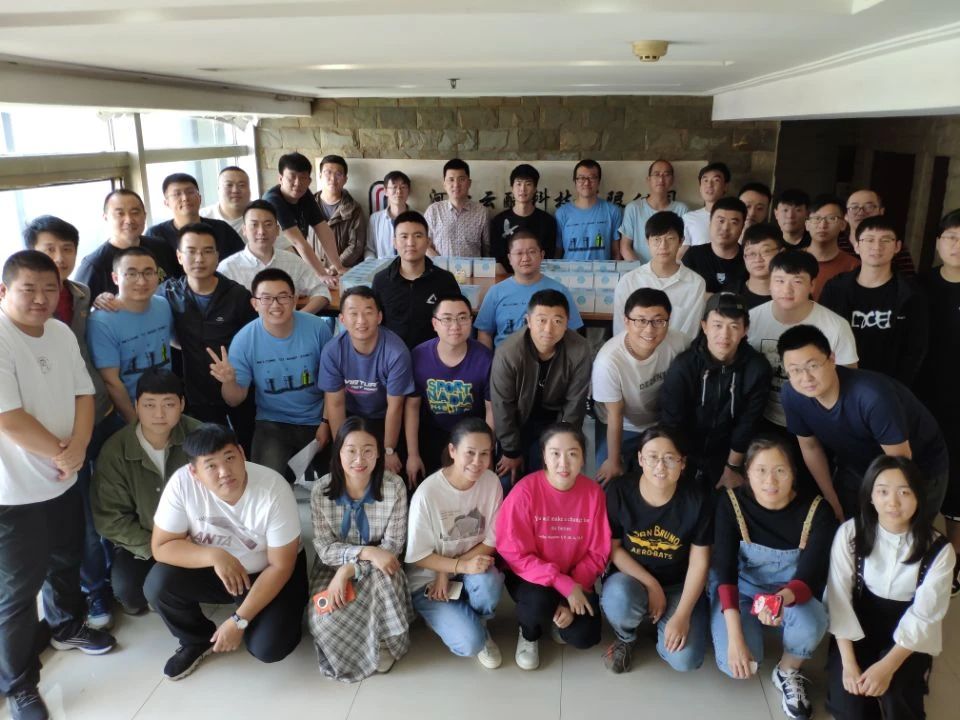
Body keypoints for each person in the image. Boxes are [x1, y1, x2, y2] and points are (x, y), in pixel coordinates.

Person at [0, 251, 116, 720]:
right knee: (17, 590)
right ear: (4, 291)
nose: (41, 299)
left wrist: (80, 445)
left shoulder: (61, 332)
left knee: (66, 561)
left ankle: (66, 626)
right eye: (28, 289)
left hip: (62, 478)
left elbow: (84, 393)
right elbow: (8, 417)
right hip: (12, 492)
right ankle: (19, 684)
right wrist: (61, 453)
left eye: (50, 288)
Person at [145, 424, 306, 680]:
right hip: (220, 571)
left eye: (230, 458)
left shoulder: (273, 488)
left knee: (269, 647)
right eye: (211, 465)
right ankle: (197, 639)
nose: (224, 472)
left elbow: (281, 566)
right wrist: (214, 555)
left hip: (269, 571)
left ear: (242, 453)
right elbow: (161, 547)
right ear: (194, 472)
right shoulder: (182, 484)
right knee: (158, 583)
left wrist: (239, 620)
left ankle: (277, 612)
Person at [24, 215, 115, 630]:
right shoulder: (19, 312)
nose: (60, 258)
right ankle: (94, 589)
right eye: (49, 249)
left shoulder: (80, 293)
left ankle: (113, 577)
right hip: (52, 431)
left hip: (96, 411)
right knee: (77, 518)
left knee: (105, 501)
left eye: (67, 249)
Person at [710, 437, 836, 720]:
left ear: (793, 473)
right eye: (761, 470)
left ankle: (788, 669)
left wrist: (778, 600)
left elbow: (810, 576)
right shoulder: (730, 503)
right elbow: (724, 572)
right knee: (737, 665)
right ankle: (748, 629)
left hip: (791, 594)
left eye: (780, 470)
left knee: (813, 621)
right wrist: (735, 638)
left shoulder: (817, 510)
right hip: (742, 591)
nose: (770, 481)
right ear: (747, 474)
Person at [825, 456, 955, 719]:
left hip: (908, 633)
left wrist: (887, 666)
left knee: (897, 697)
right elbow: (838, 598)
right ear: (870, 496)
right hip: (858, 625)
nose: (893, 503)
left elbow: (924, 615)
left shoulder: (940, 550)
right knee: (852, 706)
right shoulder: (850, 533)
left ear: (918, 496)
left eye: (904, 492)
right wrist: (849, 664)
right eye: (883, 491)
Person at [778, 324, 950, 524]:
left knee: (899, 532)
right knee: (851, 527)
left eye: (813, 366)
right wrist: (831, 498)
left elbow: (900, 460)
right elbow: (810, 447)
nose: (806, 378)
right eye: (795, 370)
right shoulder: (792, 394)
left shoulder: (871, 397)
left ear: (832, 359)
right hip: (857, 464)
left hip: (916, 466)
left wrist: (884, 511)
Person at [496, 424, 611, 669]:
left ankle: (556, 616)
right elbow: (514, 552)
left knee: (585, 636)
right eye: (555, 453)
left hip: (575, 577)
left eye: (572, 454)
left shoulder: (593, 494)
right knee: (538, 603)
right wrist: (562, 584)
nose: (563, 463)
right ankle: (529, 633)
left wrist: (572, 593)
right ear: (544, 456)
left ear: (583, 458)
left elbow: (598, 552)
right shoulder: (525, 491)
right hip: (531, 578)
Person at [308, 417, 412, 681]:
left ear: (378, 453)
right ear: (338, 453)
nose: (359, 459)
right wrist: (364, 554)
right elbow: (324, 547)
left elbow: (392, 546)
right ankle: (356, 648)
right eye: (351, 450)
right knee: (323, 620)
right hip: (333, 564)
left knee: (384, 579)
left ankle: (384, 643)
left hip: (381, 565)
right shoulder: (320, 490)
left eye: (367, 450)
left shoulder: (394, 487)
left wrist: (350, 569)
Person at [601, 427, 712, 674]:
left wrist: (682, 616)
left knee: (686, 660)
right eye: (652, 457)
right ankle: (626, 637)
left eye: (670, 458)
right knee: (618, 596)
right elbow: (614, 550)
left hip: (678, 584)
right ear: (640, 459)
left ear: (683, 463)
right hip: (632, 579)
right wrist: (651, 584)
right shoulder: (619, 491)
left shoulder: (697, 500)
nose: (660, 466)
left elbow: (700, 563)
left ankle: (663, 624)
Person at [91, 369, 201, 615]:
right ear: (136, 406)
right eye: (149, 405)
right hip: (145, 542)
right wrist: (159, 548)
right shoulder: (115, 450)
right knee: (129, 591)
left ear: (182, 405)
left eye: (169, 404)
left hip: (197, 537)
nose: (159, 414)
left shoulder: (200, 437)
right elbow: (110, 519)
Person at [208, 268, 332, 481]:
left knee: (335, 483)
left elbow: (333, 384)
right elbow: (234, 399)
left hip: (317, 418)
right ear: (255, 303)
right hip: (273, 421)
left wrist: (326, 422)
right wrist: (229, 382)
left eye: (283, 297)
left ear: (294, 300)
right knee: (265, 484)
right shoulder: (244, 340)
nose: (275, 305)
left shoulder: (317, 328)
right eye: (266, 298)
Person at [405, 418, 504, 668]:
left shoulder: (491, 482)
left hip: (466, 568)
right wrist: (449, 569)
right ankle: (455, 621)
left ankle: (479, 623)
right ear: (452, 451)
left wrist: (450, 570)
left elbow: (492, 541)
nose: (477, 462)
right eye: (469, 453)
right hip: (428, 581)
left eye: (485, 454)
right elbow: (418, 556)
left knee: (489, 582)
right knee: (470, 644)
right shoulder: (427, 494)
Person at [660, 293, 772, 491]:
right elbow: (671, 421)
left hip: (732, 455)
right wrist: (678, 463)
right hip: (685, 453)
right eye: (717, 325)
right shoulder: (684, 365)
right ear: (704, 326)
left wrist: (732, 467)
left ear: (745, 329)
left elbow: (748, 422)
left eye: (734, 326)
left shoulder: (757, 368)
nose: (724, 335)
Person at [160, 223, 257, 452]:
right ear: (179, 256)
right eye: (191, 251)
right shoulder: (168, 293)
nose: (199, 258)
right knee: (205, 453)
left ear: (217, 256)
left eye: (207, 251)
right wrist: (107, 299)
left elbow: (253, 343)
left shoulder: (238, 295)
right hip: (194, 395)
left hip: (237, 387)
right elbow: (135, 303)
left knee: (245, 450)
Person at [747, 250, 858, 430]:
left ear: (812, 284)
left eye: (797, 281)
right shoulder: (752, 320)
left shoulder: (836, 326)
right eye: (779, 281)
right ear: (770, 283)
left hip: (818, 422)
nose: (787, 290)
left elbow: (849, 381)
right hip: (764, 418)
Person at [490, 290, 592, 484]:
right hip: (518, 423)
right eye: (542, 320)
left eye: (557, 321)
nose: (548, 329)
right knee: (507, 481)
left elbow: (575, 403)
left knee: (555, 479)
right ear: (528, 321)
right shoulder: (508, 352)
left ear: (567, 322)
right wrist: (511, 451)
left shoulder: (580, 349)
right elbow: (502, 405)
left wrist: (562, 445)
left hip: (556, 421)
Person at [592, 288, 687, 486]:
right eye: (641, 320)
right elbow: (615, 415)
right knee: (608, 479)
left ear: (668, 320)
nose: (649, 330)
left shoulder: (680, 343)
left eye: (658, 321)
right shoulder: (608, 361)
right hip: (624, 425)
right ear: (626, 321)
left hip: (664, 424)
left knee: (672, 478)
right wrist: (614, 461)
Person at [318, 286, 414, 479]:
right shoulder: (333, 351)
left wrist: (388, 450)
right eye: (353, 313)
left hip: (384, 417)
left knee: (389, 472)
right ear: (342, 319)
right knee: (338, 471)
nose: (361, 320)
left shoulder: (396, 352)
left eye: (368, 313)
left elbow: (395, 407)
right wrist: (341, 448)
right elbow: (335, 404)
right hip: (351, 416)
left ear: (379, 317)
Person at [820, 215, 927, 386]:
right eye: (869, 240)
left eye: (886, 240)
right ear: (857, 246)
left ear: (897, 246)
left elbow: (915, 349)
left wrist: (898, 387)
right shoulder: (835, 288)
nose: (877, 247)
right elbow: (821, 337)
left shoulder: (911, 294)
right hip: (839, 382)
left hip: (889, 386)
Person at [916, 208, 960, 593]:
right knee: (923, 475)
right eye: (951, 238)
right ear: (938, 243)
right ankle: (922, 553)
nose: (956, 246)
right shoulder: (920, 286)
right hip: (923, 397)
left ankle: (955, 560)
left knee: (959, 484)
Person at [406, 294, 494, 482]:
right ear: (434, 323)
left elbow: (491, 409)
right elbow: (412, 407)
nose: (455, 326)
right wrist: (413, 455)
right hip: (433, 433)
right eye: (447, 319)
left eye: (462, 318)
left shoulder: (485, 359)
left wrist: (487, 453)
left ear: (471, 321)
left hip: (472, 436)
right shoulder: (419, 356)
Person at [86, 247, 174, 424]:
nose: (141, 281)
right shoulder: (101, 321)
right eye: (131, 274)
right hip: (128, 413)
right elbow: (111, 382)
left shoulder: (163, 305)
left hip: (167, 402)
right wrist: (135, 423)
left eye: (148, 273)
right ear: (115, 278)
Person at [217, 199, 331, 314]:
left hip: (288, 325)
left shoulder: (294, 262)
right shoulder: (227, 268)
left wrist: (299, 318)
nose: (261, 231)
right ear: (244, 230)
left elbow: (321, 291)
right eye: (254, 225)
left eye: (268, 225)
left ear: (277, 230)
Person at [475, 230, 583, 348]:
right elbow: (484, 333)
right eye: (519, 253)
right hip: (506, 358)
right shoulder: (496, 292)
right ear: (510, 258)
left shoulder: (560, 291)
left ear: (542, 255)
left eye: (532, 252)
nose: (525, 258)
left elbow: (572, 334)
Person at [372, 209, 460, 349]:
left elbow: (455, 324)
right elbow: (375, 325)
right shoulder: (381, 281)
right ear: (394, 242)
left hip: (434, 356)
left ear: (428, 241)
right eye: (404, 236)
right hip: (393, 356)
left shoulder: (445, 280)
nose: (410, 243)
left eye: (418, 236)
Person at [613, 211, 706, 341]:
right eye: (657, 239)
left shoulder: (696, 284)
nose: (663, 246)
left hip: (677, 353)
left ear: (681, 241)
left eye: (670, 239)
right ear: (647, 242)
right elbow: (620, 331)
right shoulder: (628, 281)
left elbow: (690, 332)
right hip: (635, 352)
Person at [75, 189, 178, 303]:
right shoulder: (94, 265)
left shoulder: (162, 247)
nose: (129, 220)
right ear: (106, 217)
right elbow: (79, 308)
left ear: (144, 215)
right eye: (120, 214)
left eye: (135, 212)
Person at [261, 152, 345, 277]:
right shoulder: (273, 200)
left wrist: (339, 267)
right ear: (280, 178)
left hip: (294, 261)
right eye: (292, 177)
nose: (297, 183)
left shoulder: (305, 195)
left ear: (309, 181)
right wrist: (322, 274)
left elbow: (324, 231)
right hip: (271, 265)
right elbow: (297, 242)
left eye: (303, 178)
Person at [147, 173, 244, 260]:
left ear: (200, 198)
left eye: (190, 192)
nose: (185, 198)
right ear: (166, 203)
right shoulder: (155, 235)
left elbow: (242, 261)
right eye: (177, 194)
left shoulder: (222, 229)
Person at [490, 163, 557, 273]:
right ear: (512, 188)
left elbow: (549, 258)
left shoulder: (547, 221)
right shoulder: (498, 221)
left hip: (538, 278)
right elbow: (496, 260)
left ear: (535, 189)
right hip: (507, 279)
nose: (523, 189)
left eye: (528, 184)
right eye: (519, 184)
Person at [619, 159, 689, 263]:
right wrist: (642, 270)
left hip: (671, 269)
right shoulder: (633, 208)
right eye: (656, 174)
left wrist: (668, 268)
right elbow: (625, 247)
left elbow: (685, 245)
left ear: (672, 179)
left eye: (666, 175)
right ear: (648, 179)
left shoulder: (682, 209)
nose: (661, 179)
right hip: (640, 270)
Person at [555, 159, 623, 261]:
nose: (586, 183)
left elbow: (616, 253)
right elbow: (557, 253)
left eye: (592, 178)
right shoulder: (562, 213)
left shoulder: (612, 211)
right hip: (570, 271)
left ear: (599, 182)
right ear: (575, 182)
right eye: (581, 178)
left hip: (603, 271)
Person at [424, 158, 490, 257]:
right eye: (451, 180)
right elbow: (424, 245)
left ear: (469, 183)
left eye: (461, 179)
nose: (456, 185)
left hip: (473, 267)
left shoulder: (481, 212)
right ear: (444, 184)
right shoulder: (433, 211)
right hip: (439, 266)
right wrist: (440, 263)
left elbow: (487, 248)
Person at [681, 197, 748, 294]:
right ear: (710, 223)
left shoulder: (749, 258)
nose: (725, 228)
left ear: (742, 228)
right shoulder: (693, 255)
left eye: (733, 223)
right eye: (721, 221)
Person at [843, 189, 915, 276]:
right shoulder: (835, 243)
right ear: (845, 215)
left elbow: (908, 280)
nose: (861, 212)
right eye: (854, 207)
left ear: (881, 211)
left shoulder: (894, 246)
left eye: (869, 207)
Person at [314, 154, 366, 269]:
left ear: (345, 179)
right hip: (312, 271)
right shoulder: (307, 205)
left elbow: (355, 246)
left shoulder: (354, 209)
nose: (332, 179)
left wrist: (335, 267)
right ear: (320, 176)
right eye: (328, 173)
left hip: (342, 272)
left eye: (338, 174)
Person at [804, 194, 859, 300]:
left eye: (831, 218)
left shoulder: (854, 267)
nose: (823, 225)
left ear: (843, 225)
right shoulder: (790, 260)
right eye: (816, 218)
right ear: (807, 224)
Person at [681, 161, 730, 251]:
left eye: (716, 180)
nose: (709, 185)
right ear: (700, 187)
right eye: (705, 180)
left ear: (725, 186)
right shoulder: (688, 218)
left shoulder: (734, 218)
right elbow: (683, 252)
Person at [366, 170, 412, 259]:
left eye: (403, 187)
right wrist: (373, 264)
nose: (399, 191)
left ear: (409, 191)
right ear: (386, 191)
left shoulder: (420, 217)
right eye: (394, 187)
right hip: (382, 266)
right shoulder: (375, 219)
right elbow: (369, 249)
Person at [740, 223, 784, 309]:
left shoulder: (795, 296)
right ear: (744, 257)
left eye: (766, 251)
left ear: (781, 253)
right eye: (751, 253)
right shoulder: (730, 295)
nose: (758, 259)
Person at [200, 165, 251, 235]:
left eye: (241, 185)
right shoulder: (202, 218)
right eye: (229, 185)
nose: (235, 190)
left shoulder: (261, 214)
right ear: (218, 189)